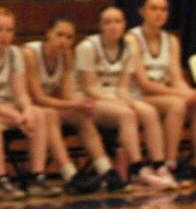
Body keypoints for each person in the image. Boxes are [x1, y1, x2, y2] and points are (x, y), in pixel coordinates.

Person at [129, 0, 196, 187]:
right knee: (178, 104)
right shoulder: (133, 39)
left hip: (163, 95)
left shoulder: (171, 40)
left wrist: (191, 94)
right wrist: (182, 95)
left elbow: (176, 78)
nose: (159, 13)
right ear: (142, 12)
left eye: (163, 9)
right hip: (138, 97)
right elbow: (143, 83)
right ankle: (169, 165)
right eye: (154, 8)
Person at [75, 5, 177, 190]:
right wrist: (121, 103)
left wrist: (126, 100)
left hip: (115, 99)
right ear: (100, 26)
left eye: (117, 21)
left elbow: (123, 87)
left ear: (124, 25)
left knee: (149, 111)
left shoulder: (127, 48)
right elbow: (90, 88)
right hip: (90, 101)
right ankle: (137, 169)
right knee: (127, 114)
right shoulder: (87, 47)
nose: (113, 26)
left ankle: (159, 165)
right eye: (107, 22)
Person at [23, 15, 128, 194]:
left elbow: (66, 95)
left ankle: (106, 170)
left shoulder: (67, 57)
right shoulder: (30, 54)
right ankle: (70, 174)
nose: (64, 41)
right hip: (25, 106)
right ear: (48, 34)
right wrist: (73, 105)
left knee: (82, 116)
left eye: (69, 37)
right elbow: (38, 98)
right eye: (60, 35)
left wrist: (81, 105)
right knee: (51, 115)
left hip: (45, 107)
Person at [0, 7, 61, 197]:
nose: (5, 35)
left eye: (10, 30)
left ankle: (37, 176)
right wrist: (16, 116)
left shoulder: (15, 54)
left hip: (8, 108)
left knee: (39, 114)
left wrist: (26, 110)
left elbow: (21, 93)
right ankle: (2, 180)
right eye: (0, 29)